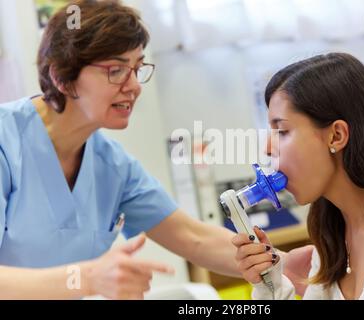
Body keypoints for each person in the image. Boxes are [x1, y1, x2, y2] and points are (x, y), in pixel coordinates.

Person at [0, 0, 312, 300]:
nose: (134, 86)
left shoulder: (112, 166)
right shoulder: (6, 143)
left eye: (137, 69)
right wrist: (88, 278)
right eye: (116, 70)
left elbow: (194, 238)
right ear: (62, 78)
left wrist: (281, 263)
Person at [232, 53, 364, 300]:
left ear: (336, 136)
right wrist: (269, 284)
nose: (268, 148)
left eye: (281, 131)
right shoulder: (333, 237)